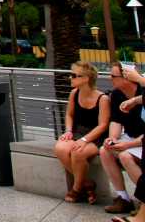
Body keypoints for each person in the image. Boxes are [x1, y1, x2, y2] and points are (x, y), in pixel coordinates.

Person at [53, 61, 110, 204]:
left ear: (86, 78)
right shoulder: (74, 93)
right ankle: (88, 184)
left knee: (78, 152)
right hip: (78, 132)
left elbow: (103, 125)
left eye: (74, 75)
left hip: (96, 136)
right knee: (60, 148)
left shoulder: (102, 99)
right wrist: (68, 131)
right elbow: (69, 115)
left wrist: (84, 140)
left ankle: (77, 189)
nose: (70, 78)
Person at [100, 63, 144, 214]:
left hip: (140, 140)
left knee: (125, 156)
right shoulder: (117, 94)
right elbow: (116, 120)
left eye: (113, 76)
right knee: (105, 150)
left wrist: (128, 145)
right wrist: (112, 138)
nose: (110, 78)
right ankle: (123, 198)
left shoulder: (142, 91)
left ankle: (144, 203)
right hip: (132, 138)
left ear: (127, 77)